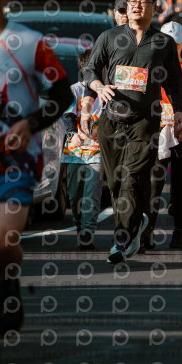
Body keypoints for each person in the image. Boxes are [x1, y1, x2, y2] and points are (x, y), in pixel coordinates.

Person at [0, 0, 73, 340]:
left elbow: (62, 93)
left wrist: (30, 124)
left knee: (1, 241)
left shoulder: (28, 42)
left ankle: (8, 277)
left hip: (14, 161)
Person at [81, 0, 182, 264]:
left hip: (145, 121)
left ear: (154, 7)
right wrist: (98, 87)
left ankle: (121, 239)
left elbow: (175, 81)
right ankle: (137, 223)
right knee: (114, 182)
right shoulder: (109, 37)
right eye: (132, 2)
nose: (137, 6)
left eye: (143, 1)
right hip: (111, 120)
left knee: (130, 177)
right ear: (125, 9)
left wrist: (179, 111)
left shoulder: (163, 42)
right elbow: (90, 70)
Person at [145, 21, 182, 249]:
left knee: (179, 183)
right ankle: (147, 231)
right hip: (157, 130)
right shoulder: (151, 67)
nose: (169, 47)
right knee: (154, 182)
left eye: (175, 43)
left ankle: (179, 231)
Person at [61, 49, 104, 250]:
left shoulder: (105, 92)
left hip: (97, 152)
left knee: (92, 194)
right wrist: (72, 134)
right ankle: (79, 225)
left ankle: (88, 231)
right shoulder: (75, 90)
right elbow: (68, 114)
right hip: (75, 152)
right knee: (74, 194)